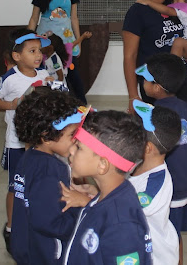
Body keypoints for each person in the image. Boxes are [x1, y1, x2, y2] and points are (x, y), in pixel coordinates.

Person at [0, 28, 52, 254]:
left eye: (39, 51)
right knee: (16, 187)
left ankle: (36, 224)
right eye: (32, 51)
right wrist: (11, 104)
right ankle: (12, 227)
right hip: (17, 143)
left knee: (39, 184)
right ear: (16, 56)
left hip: (41, 143)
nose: (38, 55)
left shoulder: (44, 74)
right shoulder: (10, 78)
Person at [62, 110, 152, 264]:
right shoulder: (109, 193)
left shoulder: (122, 227)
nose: (71, 150)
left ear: (102, 165)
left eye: (79, 147)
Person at [11, 87, 87, 264]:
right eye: (71, 134)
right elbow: (50, 223)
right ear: (46, 137)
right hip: (46, 254)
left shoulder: (28, 158)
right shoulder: (50, 168)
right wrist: (82, 214)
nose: (76, 139)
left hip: (27, 247)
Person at [135, 53, 187, 264]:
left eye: (145, 79)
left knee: (165, 237)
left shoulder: (158, 115)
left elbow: (149, 151)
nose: (142, 83)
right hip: (186, 184)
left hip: (168, 190)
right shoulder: (185, 107)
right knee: (174, 234)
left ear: (157, 87)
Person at [123, 0, 187, 109]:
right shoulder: (137, 12)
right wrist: (133, 95)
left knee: (185, 122)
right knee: (161, 123)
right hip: (156, 87)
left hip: (183, 82)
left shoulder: (177, 6)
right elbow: (130, 56)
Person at [27, 0, 91, 103]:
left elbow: (74, 18)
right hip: (46, 40)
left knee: (72, 74)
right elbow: (34, 18)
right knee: (44, 74)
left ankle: (82, 105)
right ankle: (45, 105)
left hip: (66, 39)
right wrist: (27, 40)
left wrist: (79, 40)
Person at [129, 100, 182, 265]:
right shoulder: (136, 165)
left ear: (147, 148)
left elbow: (127, 208)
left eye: (135, 134)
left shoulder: (156, 183)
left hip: (156, 257)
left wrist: (90, 200)